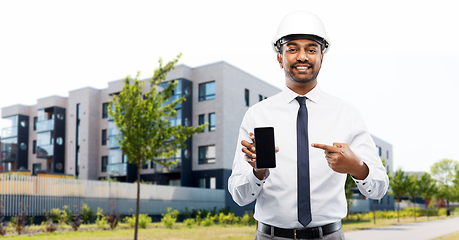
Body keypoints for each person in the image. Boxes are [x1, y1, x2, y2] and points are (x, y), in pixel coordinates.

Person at [228, 11, 389, 240]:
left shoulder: (347, 114)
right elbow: (239, 195)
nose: (302, 56)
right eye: (292, 49)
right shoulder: (257, 115)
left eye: (311, 49)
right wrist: (258, 171)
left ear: (322, 57)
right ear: (279, 57)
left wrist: (356, 167)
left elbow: (380, 188)